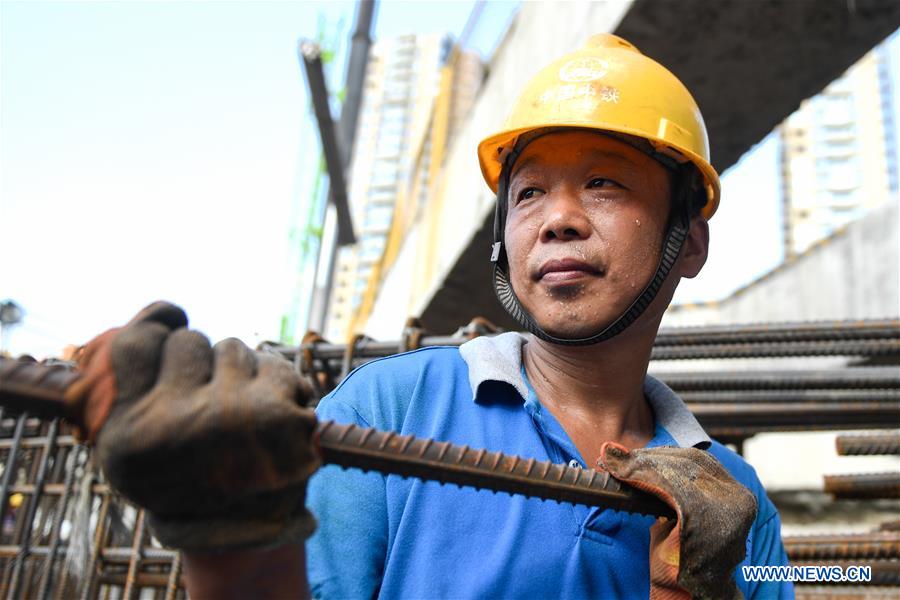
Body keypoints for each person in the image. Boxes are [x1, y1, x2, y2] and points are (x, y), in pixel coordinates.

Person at [73, 34, 792, 599]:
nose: (558, 220)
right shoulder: (389, 408)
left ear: (687, 241)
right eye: (529, 193)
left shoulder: (733, 498)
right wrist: (230, 537)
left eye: (603, 184)